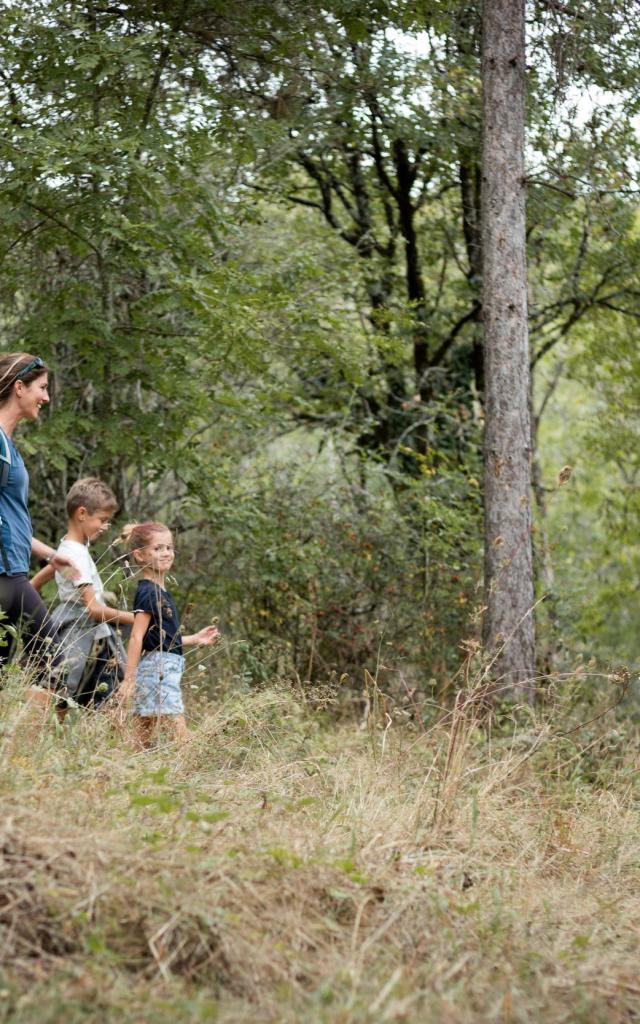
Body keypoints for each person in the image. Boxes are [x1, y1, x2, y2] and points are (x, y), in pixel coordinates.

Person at [0, 352, 80, 694]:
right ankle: (37, 741)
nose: (46, 397)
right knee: (52, 664)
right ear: (19, 388)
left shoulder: (8, 445)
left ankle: (16, 743)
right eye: (42, 388)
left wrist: (51, 556)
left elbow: (10, 518)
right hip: (5, 575)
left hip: (12, 569)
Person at [31, 478, 135, 707]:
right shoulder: (76, 553)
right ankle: (46, 729)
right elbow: (93, 608)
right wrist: (136, 619)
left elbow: (48, 572)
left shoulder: (72, 548)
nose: (105, 526)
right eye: (102, 520)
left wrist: (31, 596)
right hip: (79, 627)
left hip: (94, 632)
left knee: (108, 685)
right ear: (82, 514)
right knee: (62, 688)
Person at [117, 521, 219, 745]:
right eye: (157, 548)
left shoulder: (161, 592)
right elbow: (137, 636)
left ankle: (127, 769)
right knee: (179, 732)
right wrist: (129, 679)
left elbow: (161, 640)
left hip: (161, 666)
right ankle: (189, 768)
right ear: (140, 555)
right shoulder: (148, 592)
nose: (166, 553)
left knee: (142, 734)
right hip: (157, 670)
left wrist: (195, 639)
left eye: (169, 548)